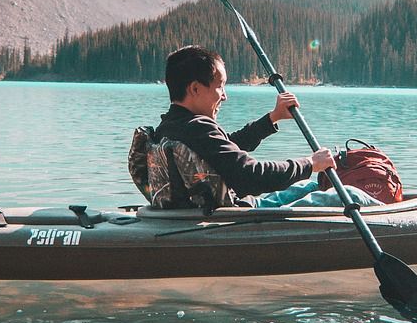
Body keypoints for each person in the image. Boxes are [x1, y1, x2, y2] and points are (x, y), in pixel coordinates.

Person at [153, 46, 376, 208]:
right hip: (239, 217)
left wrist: (272, 119)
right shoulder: (198, 127)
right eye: (220, 87)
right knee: (349, 195)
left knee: (310, 187)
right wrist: (309, 164)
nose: (225, 96)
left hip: (225, 208)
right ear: (195, 89)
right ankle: (397, 218)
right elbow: (252, 176)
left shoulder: (170, 126)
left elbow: (225, 150)